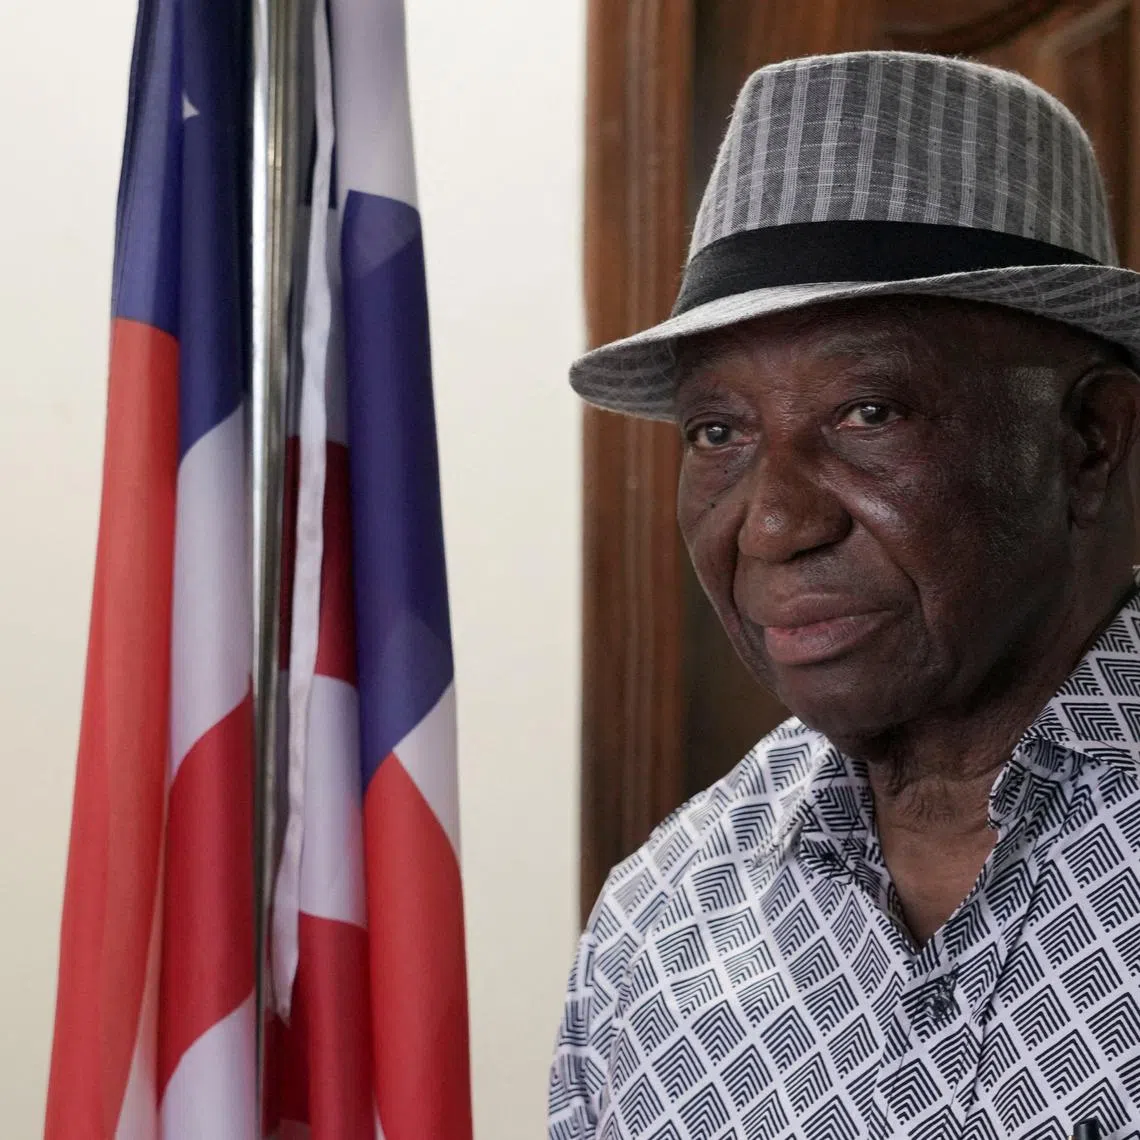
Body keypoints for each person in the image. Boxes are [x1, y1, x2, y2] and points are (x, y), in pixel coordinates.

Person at [549, 51, 1140, 1139]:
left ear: (1088, 442)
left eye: (869, 412)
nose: (775, 525)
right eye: (717, 432)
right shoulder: (658, 928)